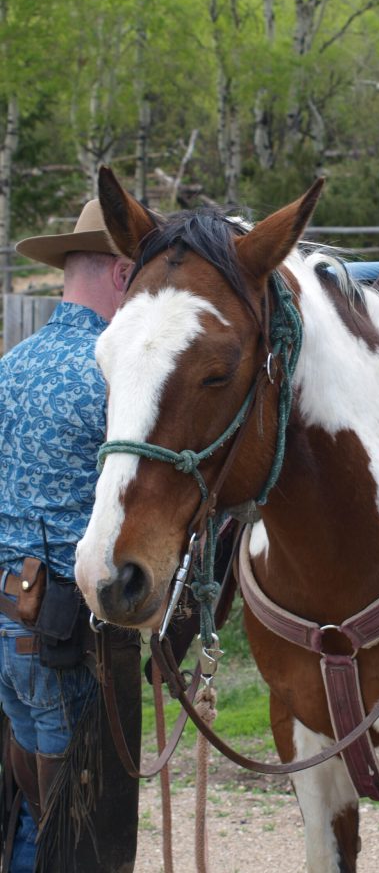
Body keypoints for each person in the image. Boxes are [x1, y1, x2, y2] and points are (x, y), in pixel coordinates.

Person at [0, 201, 138, 871]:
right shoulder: (113, 375)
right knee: (76, 814)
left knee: (31, 800)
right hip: (67, 628)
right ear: (120, 273)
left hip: (6, 614)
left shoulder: (11, 364)